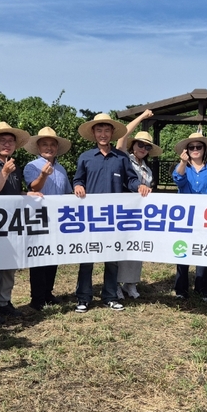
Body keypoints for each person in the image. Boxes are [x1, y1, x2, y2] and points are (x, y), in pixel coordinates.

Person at [72, 113, 151, 313]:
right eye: (99, 130)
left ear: (112, 132)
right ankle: (83, 297)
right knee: (87, 259)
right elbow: (77, 179)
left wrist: (139, 187)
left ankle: (109, 296)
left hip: (114, 217)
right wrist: (78, 186)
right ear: (93, 132)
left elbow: (131, 180)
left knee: (112, 259)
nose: (103, 134)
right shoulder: (86, 157)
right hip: (90, 217)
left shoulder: (121, 158)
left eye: (107, 130)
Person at [0, 122, 41, 324]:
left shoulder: (15, 165)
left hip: (13, 222)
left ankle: (4, 302)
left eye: (10, 141)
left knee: (9, 265)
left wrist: (27, 193)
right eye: (2, 140)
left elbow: (12, 192)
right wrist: (3, 172)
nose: (7, 144)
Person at [23, 127, 73, 311]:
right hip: (38, 219)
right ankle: (37, 299)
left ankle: (48, 293)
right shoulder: (32, 166)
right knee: (38, 258)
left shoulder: (61, 169)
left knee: (53, 256)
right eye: (45, 144)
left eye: (52, 144)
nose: (49, 147)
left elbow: (67, 192)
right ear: (38, 147)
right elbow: (33, 187)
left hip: (58, 219)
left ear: (57, 148)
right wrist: (43, 175)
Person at [115, 109, 159, 299]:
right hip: (122, 209)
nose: (143, 149)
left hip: (140, 214)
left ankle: (130, 283)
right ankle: (115, 284)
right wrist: (141, 117)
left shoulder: (147, 169)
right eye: (140, 144)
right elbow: (122, 134)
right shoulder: (124, 157)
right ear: (133, 145)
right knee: (120, 247)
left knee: (136, 247)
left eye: (147, 147)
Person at [172, 130, 207, 301]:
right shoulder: (183, 167)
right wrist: (183, 163)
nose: (195, 149)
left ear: (204, 149)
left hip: (206, 217)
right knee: (182, 251)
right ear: (187, 151)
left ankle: (202, 290)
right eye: (191, 147)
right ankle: (181, 290)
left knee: (203, 253)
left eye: (199, 146)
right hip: (185, 217)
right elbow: (178, 179)